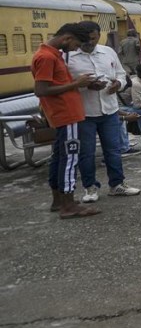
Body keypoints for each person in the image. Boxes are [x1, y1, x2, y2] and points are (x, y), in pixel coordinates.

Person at [67, 21, 141, 202]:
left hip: (109, 109)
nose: (90, 42)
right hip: (85, 112)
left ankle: (117, 184)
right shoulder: (69, 57)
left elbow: (121, 74)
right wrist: (85, 86)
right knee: (87, 153)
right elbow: (65, 85)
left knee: (113, 150)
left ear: (99, 35)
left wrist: (119, 84)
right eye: (86, 39)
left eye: (93, 38)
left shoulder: (108, 52)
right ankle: (90, 188)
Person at [33, 23, 102, 218]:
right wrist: (77, 83)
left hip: (66, 114)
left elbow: (56, 84)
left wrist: (82, 84)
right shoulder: (46, 57)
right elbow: (41, 90)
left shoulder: (52, 55)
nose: (76, 49)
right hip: (66, 114)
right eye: (76, 44)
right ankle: (69, 205)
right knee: (70, 159)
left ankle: (58, 201)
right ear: (67, 39)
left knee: (59, 158)